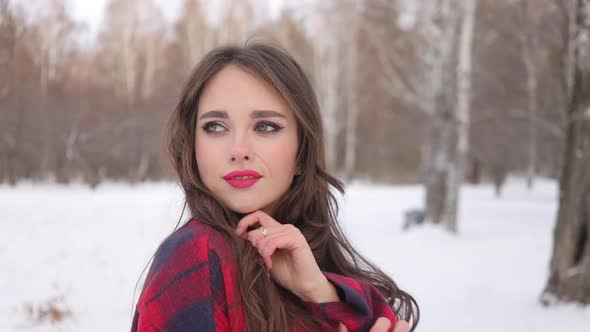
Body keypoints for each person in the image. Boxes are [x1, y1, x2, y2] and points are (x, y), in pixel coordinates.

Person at [131, 42, 419, 332]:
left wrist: (318, 291)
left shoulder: (312, 269)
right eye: (215, 127)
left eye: (265, 126)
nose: (239, 150)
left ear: (302, 153)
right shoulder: (196, 255)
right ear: (193, 147)